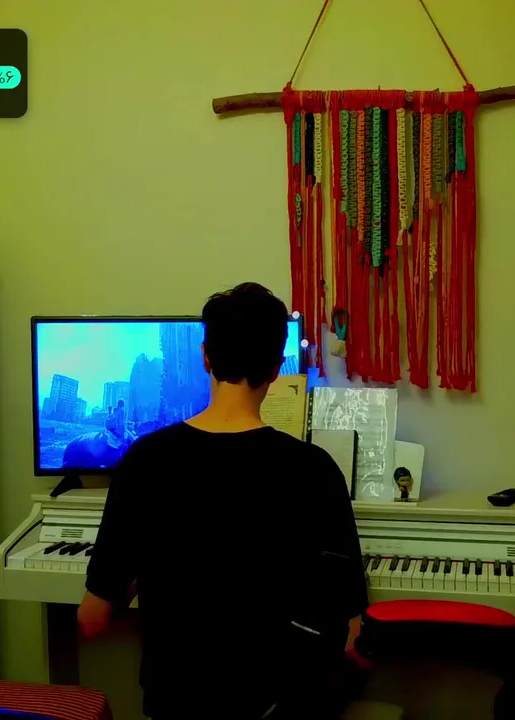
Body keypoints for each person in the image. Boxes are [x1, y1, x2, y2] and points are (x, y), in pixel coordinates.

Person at [77, 282, 368, 720]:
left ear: (205, 357)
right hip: (279, 706)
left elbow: (91, 620)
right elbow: (351, 633)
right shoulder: (316, 469)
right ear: (277, 368)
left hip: (177, 704)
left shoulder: (146, 460)